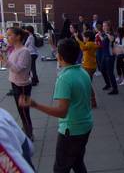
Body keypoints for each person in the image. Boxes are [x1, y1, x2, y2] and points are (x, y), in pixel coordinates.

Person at [19, 38, 93, 173]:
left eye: (57, 52)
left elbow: (62, 112)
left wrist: (35, 104)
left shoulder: (64, 79)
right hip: (85, 126)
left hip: (71, 131)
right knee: (77, 162)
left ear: (60, 57)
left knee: (60, 168)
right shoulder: (82, 72)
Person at [0, 27, 33, 140]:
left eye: (9, 35)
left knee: (24, 111)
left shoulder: (24, 51)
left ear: (18, 37)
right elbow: (11, 67)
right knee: (21, 110)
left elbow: (18, 69)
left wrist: (5, 61)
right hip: (15, 83)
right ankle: (26, 128)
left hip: (22, 85)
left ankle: (29, 133)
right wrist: (5, 60)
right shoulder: (14, 50)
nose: (7, 37)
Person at [74, 30, 99, 108]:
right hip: (89, 66)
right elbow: (84, 49)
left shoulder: (90, 44)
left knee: (87, 84)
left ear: (88, 38)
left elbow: (84, 48)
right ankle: (89, 100)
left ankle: (92, 101)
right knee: (86, 83)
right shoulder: (90, 44)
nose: (83, 38)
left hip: (89, 67)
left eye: (84, 37)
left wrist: (77, 39)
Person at [101, 21, 118, 95]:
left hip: (110, 56)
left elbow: (111, 39)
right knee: (102, 70)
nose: (103, 27)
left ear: (109, 27)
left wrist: (107, 34)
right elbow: (104, 41)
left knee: (110, 72)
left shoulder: (111, 34)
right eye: (103, 26)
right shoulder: (104, 34)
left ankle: (115, 89)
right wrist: (100, 36)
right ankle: (108, 84)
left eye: (105, 26)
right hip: (104, 55)